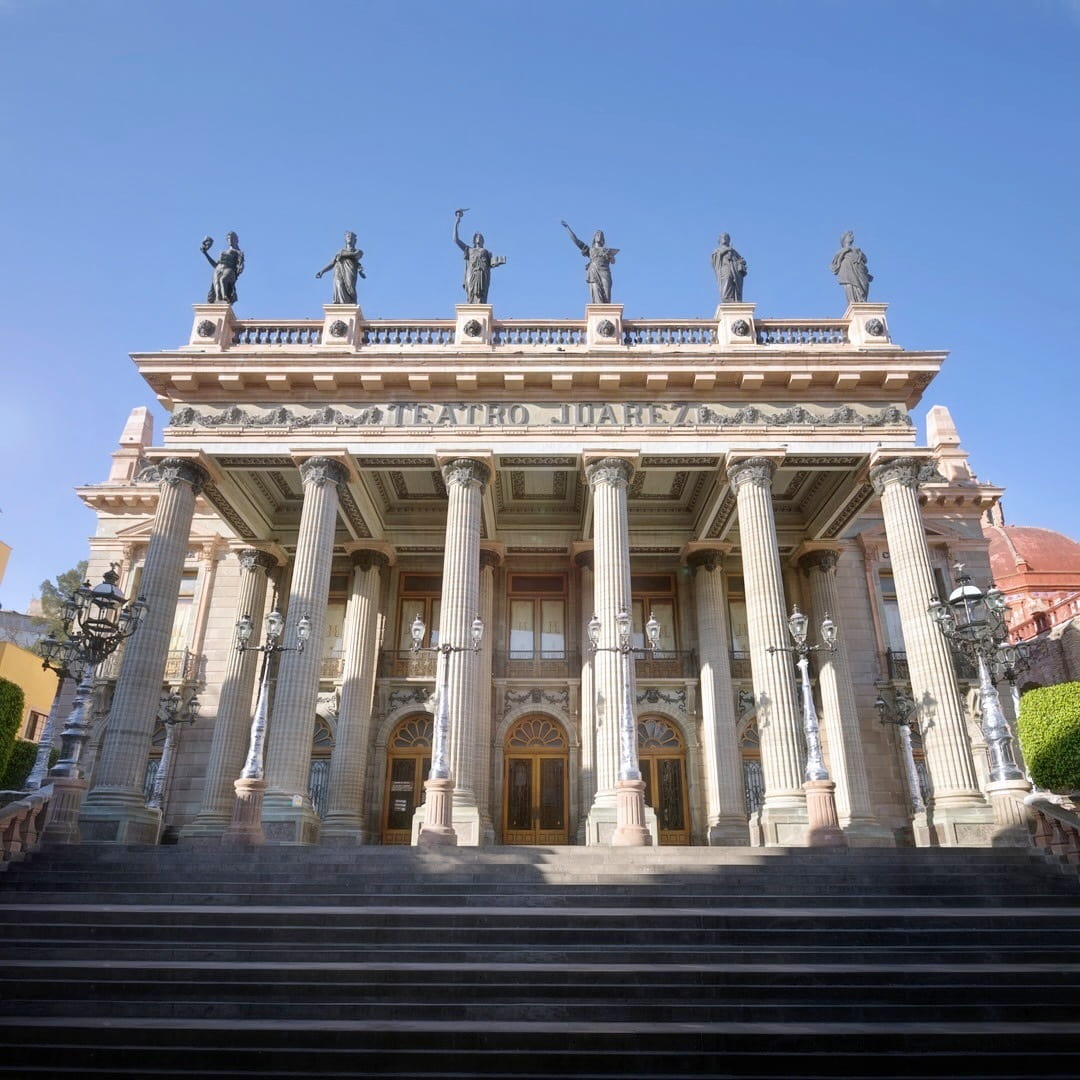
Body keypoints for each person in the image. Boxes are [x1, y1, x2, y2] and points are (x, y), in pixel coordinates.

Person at [453, 210, 505, 304]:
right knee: (471, 293)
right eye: (477, 237)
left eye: (480, 237)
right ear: (474, 239)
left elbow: (491, 263)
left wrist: (499, 261)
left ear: (483, 240)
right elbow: (456, 239)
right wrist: (457, 222)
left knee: (480, 295)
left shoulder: (485, 251)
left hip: (482, 274)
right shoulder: (469, 249)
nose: (478, 238)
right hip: (472, 273)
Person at [561, 221, 618, 304]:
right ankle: (598, 312)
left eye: (600, 235)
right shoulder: (590, 250)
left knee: (607, 294)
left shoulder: (606, 250)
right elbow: (577, 241)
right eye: (597, 234)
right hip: (594, 271)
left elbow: (613, 262)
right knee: (596, 292)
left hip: (605, 272)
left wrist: (611, 256)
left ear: (602, 239)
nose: (599, 236)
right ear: (594, 237)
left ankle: (606, 314)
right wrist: (568, 228)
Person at [316, 231, 365, 305]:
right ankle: (341, 304)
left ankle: (351, 301)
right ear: (345, 239)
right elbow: (332, 262)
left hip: (350, 271)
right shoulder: (341, 251)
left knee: (350, 289)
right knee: (339, 284)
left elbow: (356, 255)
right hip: (338, 270)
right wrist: (322, 271)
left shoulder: (358, 251)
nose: (350, 238)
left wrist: (343, 255)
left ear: (355, 240)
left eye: (352, 237)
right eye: (348, 236)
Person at [830, 230, 873, 304]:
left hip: (860, 271)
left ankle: (862, 301)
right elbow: (834, 263)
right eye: (849, 236)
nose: (852, 237)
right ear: (844, 240)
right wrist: (844, 252)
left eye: (851, 236)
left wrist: (860, 255)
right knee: (850, 285)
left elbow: (865, 260)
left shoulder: (857, 250)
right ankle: (855, 302)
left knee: (864, 286)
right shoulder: (841, 251)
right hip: (848, 270)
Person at [201, 232, 244, 305]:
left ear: (236, 240)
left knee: (223, 279)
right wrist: (205, 253)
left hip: (229, 269)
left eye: (232, 238)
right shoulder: (224, 252)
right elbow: (215, 265)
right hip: (218, 269)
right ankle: (218, 299)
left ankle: (224, 297)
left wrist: (240, 268)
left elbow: (241, 264)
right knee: (216, 284)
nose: (230, 240)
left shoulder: (238, 252)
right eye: (228, 238)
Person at [711, 233, 748, 303]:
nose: (725, 238)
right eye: (723, 237)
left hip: (734, 270)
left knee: (733, 282)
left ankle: (735, 298)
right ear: (720, 240)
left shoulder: (733, 251)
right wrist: (727, 250)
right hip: (724, 269)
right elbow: (715, 258)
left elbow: (741, 259)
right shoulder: (717, 250)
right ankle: (726, 297)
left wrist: (741, 262)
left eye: (727, 237)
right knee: (727, 280)